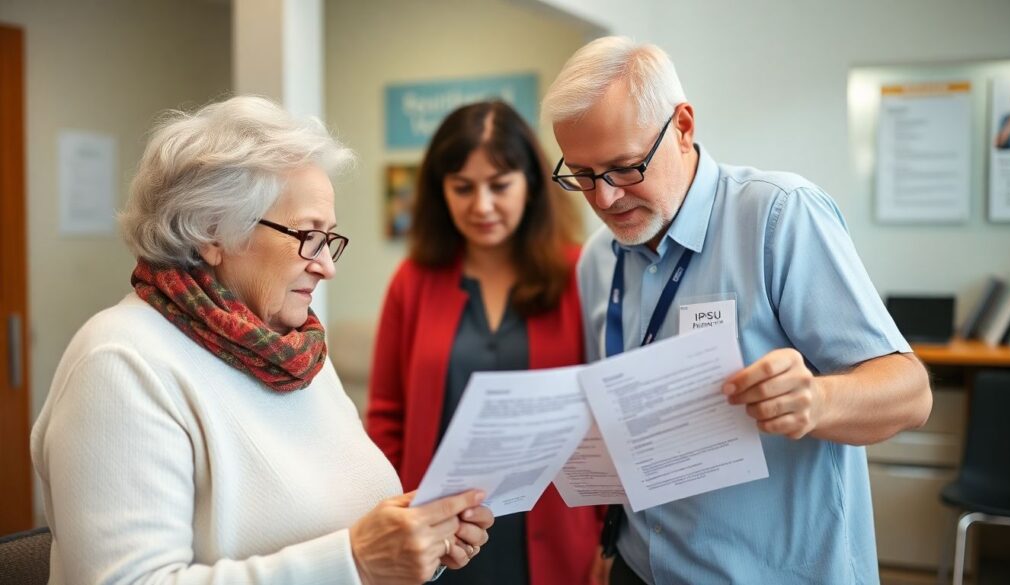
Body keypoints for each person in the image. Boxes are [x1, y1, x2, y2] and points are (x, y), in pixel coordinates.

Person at [30, 96, 493, 585]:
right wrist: (355, 562)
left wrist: (417, 544)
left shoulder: (293, 350)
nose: (326, 266)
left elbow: (350, 531)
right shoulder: (120, 363)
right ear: (213, 232)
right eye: (307, 236)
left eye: (329, 238)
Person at [542, 37, 932, 584]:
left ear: (682, 126)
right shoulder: (596, 262)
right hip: (637, 565)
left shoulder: (779, 217)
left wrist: (816, 400)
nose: (604, 200)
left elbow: (911, 393)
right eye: (581, 175)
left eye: (625, 168)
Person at [366, 101, 605, 585]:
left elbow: (607, 417)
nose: (482, 206)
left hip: (558, 538)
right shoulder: (411, 283)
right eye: (462, 188)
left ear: (532, 184)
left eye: (499, 186)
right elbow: (387, 416)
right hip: (436, 538)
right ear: (439, 191)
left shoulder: (582, 274)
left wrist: (611, 535)